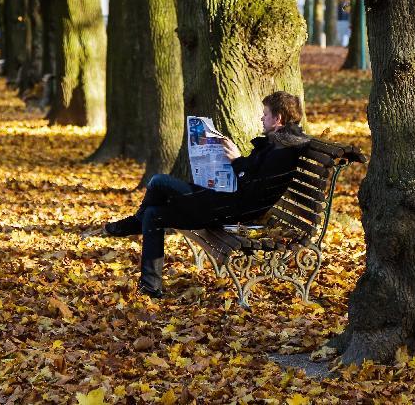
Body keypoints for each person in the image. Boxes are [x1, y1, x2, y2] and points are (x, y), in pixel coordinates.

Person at [85, 91, 309, 298]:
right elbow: (250, 178)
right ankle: (150, 288)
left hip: (230, 209)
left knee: (159, 181)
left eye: (265, 114)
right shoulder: (278, 145)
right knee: (154, 214)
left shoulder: (282, 151)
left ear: (278, 119)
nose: (262, 118)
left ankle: (132, 224)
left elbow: (253, 186)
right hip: (226, 201)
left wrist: (237, 160)